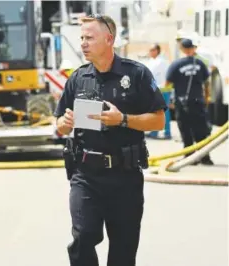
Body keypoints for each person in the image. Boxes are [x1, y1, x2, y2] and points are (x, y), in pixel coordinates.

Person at [55, 14, 166, 266]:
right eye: (81, 37)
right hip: (85, 175)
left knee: (123, 250)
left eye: (89, 38)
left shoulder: (136, 74)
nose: (83, 43)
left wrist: (123, 119)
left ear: (109, 39)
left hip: (125, 176)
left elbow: (158, 120)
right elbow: (60, 123)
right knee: (83, 237)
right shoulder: (78, 77)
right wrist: (65, 123)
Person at [165, 38, 214, 165]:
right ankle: (205, 157)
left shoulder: (176, 65)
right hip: (198, 102)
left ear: (182, 49)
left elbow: (167, 83)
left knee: (185, 130)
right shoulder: (200, 63)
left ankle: (189, 156)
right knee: (201, 131)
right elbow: (207, 83)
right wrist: (207, 98)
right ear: (192, 48)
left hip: (182, 103)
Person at [146, 43, 172, 139]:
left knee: (165, 112)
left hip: (163, 90)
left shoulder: (162, 62)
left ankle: (167, 132)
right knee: (155, 112)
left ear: (157, 51)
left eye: (152, 50)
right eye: (150, 50)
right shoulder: (152, 61)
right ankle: (154, 132)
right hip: (154, 90)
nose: (150, 52)